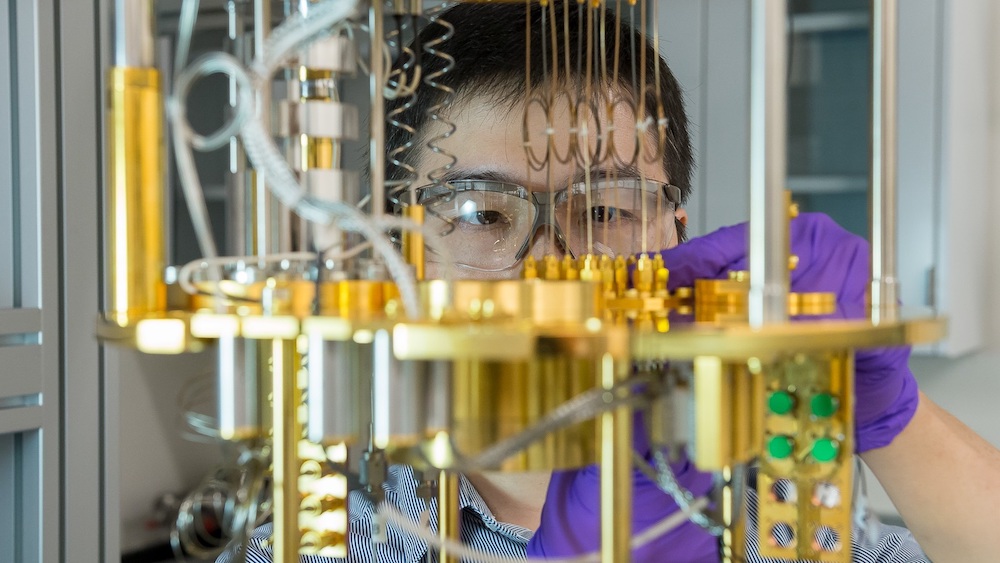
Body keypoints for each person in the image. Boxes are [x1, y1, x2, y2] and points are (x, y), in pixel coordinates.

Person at [222, 2, 1000, 562]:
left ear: (675, 239)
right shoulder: (315, 543)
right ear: (395, 251)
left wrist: (896, 419)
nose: (547, 266)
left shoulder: (792, 526)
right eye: (480, 213)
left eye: (602, 209)